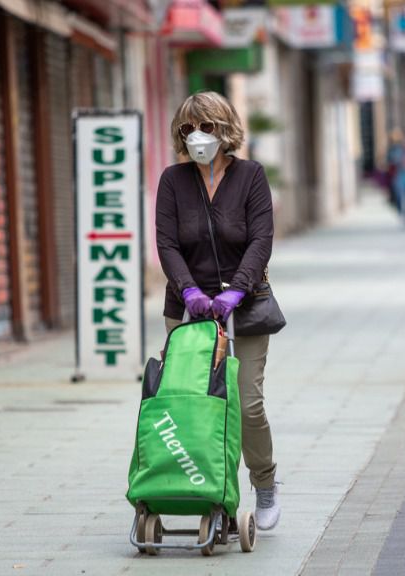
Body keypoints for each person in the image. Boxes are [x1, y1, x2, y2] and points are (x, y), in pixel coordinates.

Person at [155, 92, 281, 530]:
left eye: (205, 127)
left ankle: (264, 482)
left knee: (246, 404)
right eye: (187, 129)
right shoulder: (173, 181)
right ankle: (208, 489)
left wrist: (238, 290)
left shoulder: (250, 177)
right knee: (193, 402)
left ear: (224, 129)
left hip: (244, 308)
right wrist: (188, 288)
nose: (196, 136)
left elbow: (261, 239)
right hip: (188, 310)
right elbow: (167, 242)